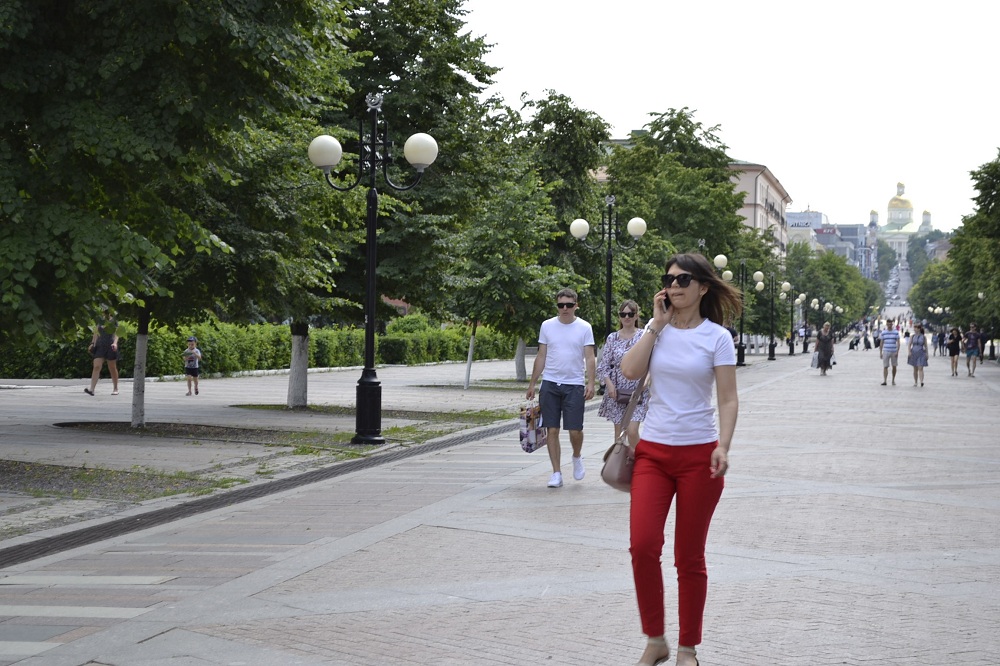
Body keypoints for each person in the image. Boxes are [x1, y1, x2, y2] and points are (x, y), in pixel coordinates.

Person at [620, 253, 741, 666]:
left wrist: (723, 444)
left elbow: (727, 397)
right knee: (642, 545)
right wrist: (654, 325)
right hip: (653, 453)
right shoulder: (658, 331)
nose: (673, 286)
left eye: (682, 279)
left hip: (699, 458)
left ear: (703, 287)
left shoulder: (717, 338)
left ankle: (687, 648)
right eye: (668, 279)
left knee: (689, 557)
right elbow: (629, 372)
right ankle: (656, 640)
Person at [526, 289, 596, 488]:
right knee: (552, 429)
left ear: (576, 305)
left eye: (569, 305)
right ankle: (556, 472)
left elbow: (590, 357)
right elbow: (541, 356)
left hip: (574, 384)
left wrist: (591, 383)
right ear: (557, 306)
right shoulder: (547, 326)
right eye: (561, 305)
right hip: (550, 383)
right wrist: (533, 383)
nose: (565, 309)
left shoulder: (584, 327)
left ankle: (576, 456)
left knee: (575, 430)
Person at [597, 299, 649, 447]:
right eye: (623, 314)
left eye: (630, 314)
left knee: (632, 430)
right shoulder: (612, 338)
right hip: (617, 390)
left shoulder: (643, 336)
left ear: (636, 316)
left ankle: (640, 460)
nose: (627, 317)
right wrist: (609, 385)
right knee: (619, 434)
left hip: (638, 389)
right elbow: (604, 365)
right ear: (619, 316)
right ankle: (620, 465)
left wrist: (647, 381)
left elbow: (652, 362)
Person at [85, 311, 120, 396]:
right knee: (96, 366)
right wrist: (92, 343)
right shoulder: (100, 320)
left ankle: (115, 388)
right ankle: (92, 389)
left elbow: (117, 333)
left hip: (110, 345)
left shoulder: (114, 321)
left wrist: (115, 343)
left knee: (112, 367)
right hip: (100, 346)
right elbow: (96, 333)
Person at [879, 319, 901, 386]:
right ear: (886, 324)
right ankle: (885, 380)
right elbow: (881, 343)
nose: (889, 325)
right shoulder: (883, 332)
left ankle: (893, 380)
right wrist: (880, 352)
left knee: (894, 366)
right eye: (888, 324)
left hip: (894, 351)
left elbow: (898, 342)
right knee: (885, 366)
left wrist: (897, 351)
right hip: (886, 350)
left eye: (890, 324)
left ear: (892, 324)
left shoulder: (896, 332)